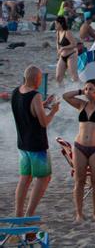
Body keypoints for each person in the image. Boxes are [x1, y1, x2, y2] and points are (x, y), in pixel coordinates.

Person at [13, 65, 60, 221]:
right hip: (37, 145)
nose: (40, 82)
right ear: (36, 79)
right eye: (40, 79)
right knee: (44, 177)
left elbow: (27, 111)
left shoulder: (16, 92)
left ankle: (18, 215)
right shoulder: (35, 96)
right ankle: (29, 214)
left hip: (22, 143)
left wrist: (43, 104)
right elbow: (43, 122)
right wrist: (53, 111)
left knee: (24, 178)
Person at [62, 79, 95, 220]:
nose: (87, 91)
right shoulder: (81, 104)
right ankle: (79, 214)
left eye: (90, 89)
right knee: (79, 181)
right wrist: (79, 91)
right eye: (85, 89)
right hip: (79, 146)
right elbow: (66, 96)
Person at [54, 17, 79, 85]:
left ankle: (79, 90)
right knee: (58, 77)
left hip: (71, 55)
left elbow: (74, 44)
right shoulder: (58, 32)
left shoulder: (67, 32)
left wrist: (63, 48)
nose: (55, 25)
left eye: (56, 24)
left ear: (61, 24)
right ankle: (61, 91)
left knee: (74, 76)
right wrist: (58, 51)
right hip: (62, 56)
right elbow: (57, 43)